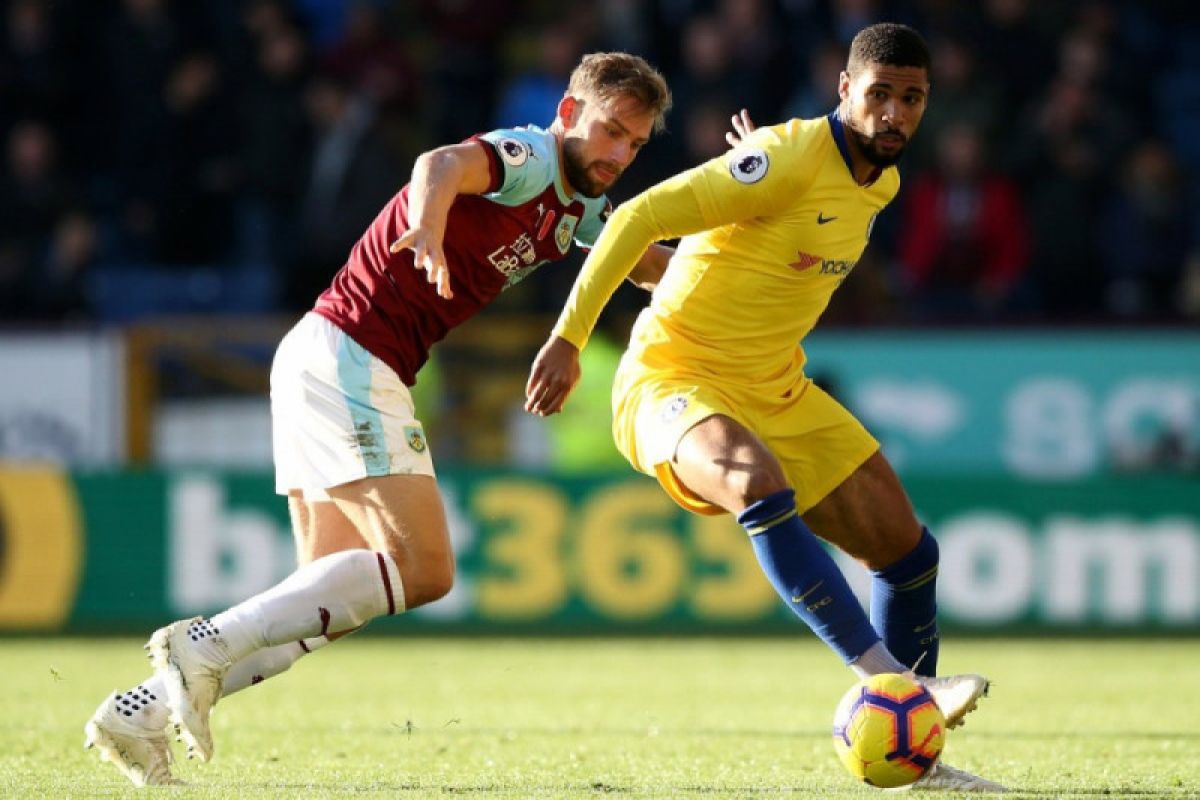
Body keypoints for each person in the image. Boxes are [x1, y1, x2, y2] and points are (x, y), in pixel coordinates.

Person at [84, 52, 673, 787]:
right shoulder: (531, 156)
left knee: (320, 600)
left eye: (636, 143)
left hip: (321, 353)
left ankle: (134, 713)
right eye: (611, 130)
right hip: (354, 355)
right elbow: (441, 163)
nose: (619, 153)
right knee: (424, 572)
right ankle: (196, 645)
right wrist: (426, 226)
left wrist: (749, 257)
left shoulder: (584, 205)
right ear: (567, 114)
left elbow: (646, 262)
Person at [525, 24, 1004, 792]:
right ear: (844, 89)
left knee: (909, 554)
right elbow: (635, 216)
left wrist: (749, 176)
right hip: (671, 375)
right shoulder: (786, 158)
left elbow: (766, 243)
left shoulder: (879, 182)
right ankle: (894, 684)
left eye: (910, 99)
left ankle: (920, 764)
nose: (894, 113)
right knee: (753, 477)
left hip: (775, 383)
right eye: (878, 93)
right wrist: (569, 338)